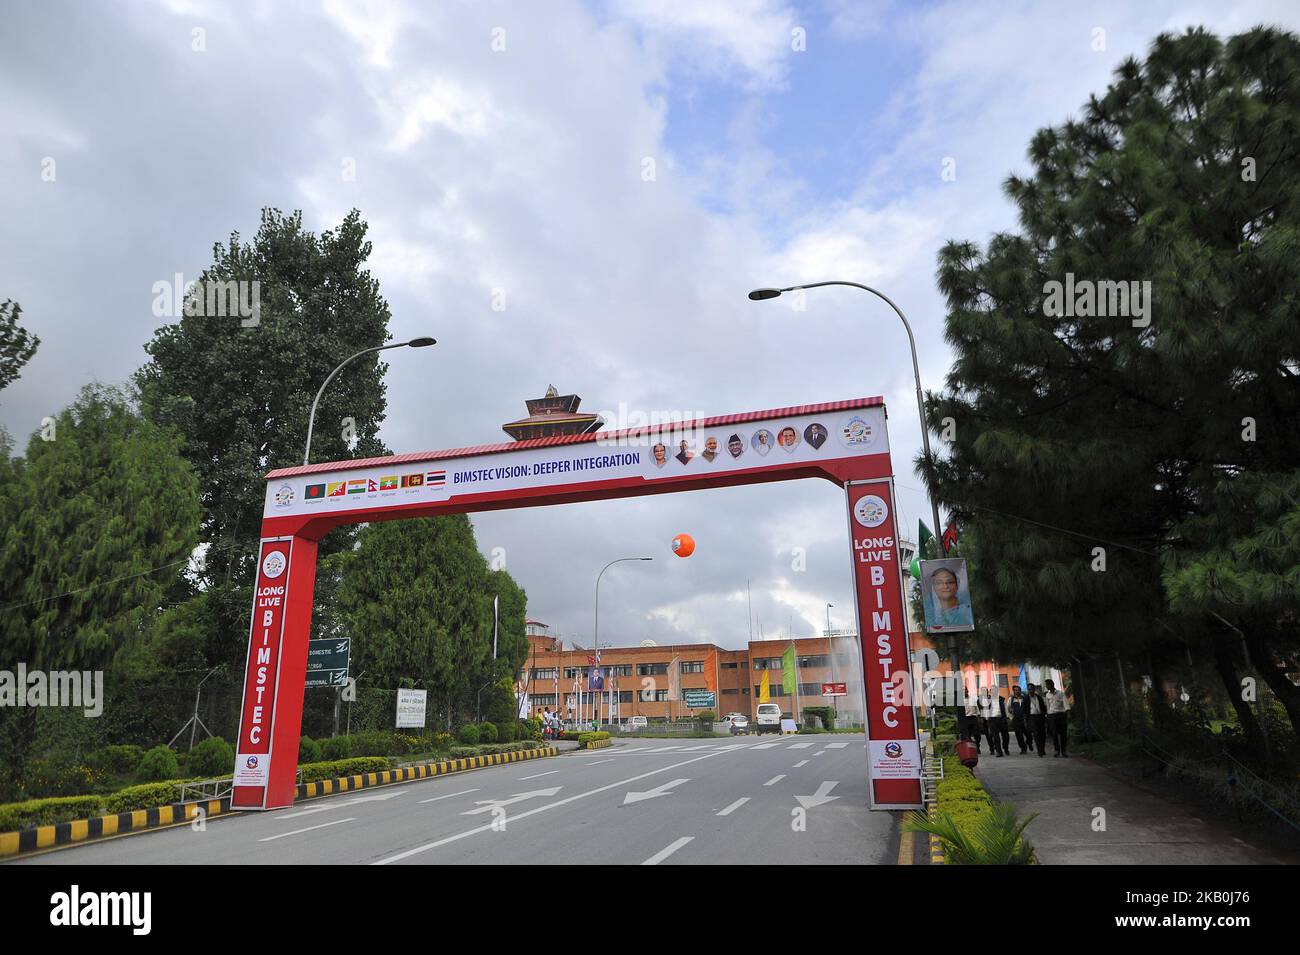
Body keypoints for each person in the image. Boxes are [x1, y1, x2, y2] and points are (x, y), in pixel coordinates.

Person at [1044, 679, 1071, 757]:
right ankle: (1057, 750)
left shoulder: (1060, 693)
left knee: (1063, 734)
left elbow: (1066, 704)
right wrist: (1048, 716)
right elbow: (1048, 707)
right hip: (1052, 716)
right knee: (1054, 734)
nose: (1046, 686)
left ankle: (1064, 751)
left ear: (1051, 685)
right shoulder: (1047, 695)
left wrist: (1068, 713)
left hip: (1061, 715)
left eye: (1047, 685)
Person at [978, 686, 1006, 756]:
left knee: (1005, 736)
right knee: (995, 736)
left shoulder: (1000, 699)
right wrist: (986, 720)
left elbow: (1004, 709)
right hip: (992, 720)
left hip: (1001, 719)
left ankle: (1005, 747)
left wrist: (1005, 718)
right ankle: (998, 751)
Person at [1024, 683, 1047, 757]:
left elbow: (1043, 707)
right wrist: (1026, 719)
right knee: (1036, 734)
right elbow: (1024, 710)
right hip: (1032, 718)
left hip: (1040, 717)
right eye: (1029, 689)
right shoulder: (1026, 698)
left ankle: (1042, 749)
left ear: (1034, 689)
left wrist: (1044, 715)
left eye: (1032, 689)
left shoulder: (1039, 697)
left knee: (1042, 734)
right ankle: (1039, 751)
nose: (1030, 691)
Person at [1008, 685, 1030, 754]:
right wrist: (1011, 718)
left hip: (1024, 719)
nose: (1017, 691)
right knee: (1019, 735)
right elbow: (1008, 709)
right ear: (1014, 691)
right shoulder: (1011, 699)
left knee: (1028, 734)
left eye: (1018, 690)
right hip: (1016, 720)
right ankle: (1023, 748)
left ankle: (1029, 743)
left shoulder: (1024, 698)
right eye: (1015, 690)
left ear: (1020, 691)